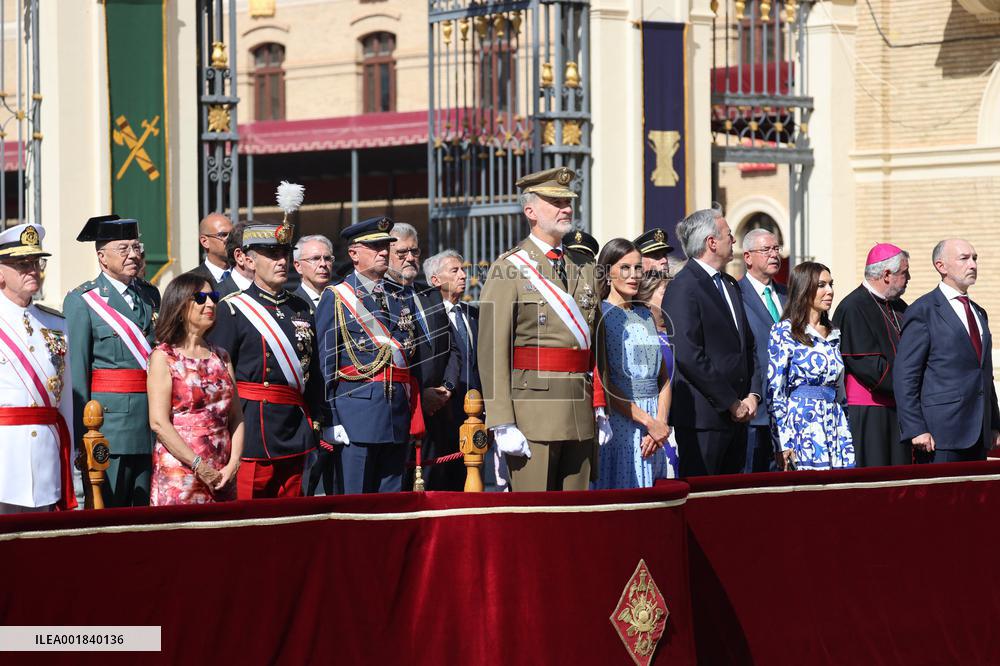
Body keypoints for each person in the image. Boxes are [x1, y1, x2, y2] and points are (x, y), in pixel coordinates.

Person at [477, 167, 609, 491]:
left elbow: (596, 343)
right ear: (531, 210)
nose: (566, 208)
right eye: (556, 201)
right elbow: (492, 348)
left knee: (576, 518)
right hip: (532, 415)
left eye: (568, 201)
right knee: (534, 519)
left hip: (580, 413)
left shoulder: (586, 267)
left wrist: (600, 404)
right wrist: (501, 420)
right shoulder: (509, 269)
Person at [206, 222, 324, 498]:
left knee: (292, 519)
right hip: (253, 430)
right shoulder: (233, 308)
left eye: (284, 253)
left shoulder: (301, 307)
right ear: (247, 259)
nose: (281, 261)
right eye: (272, 255)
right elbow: (221, 378)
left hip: (295, 428)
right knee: (249, 519)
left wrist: (317, 419)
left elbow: (314, 369)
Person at [316, 216, 425, 494]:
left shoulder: (398, 295)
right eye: (375, 246)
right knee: (356, 503)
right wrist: (330, 419)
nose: (383, 252)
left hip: (395, 416)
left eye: (385, 246)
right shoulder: (338, 296)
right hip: (356, 415)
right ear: (354, 253)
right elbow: (326, 363)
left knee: (391, 505)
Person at [64, 215, 160, 507]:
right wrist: (84, 438)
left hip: (150, 422)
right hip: (108, 428)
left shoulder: (150, 294)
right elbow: (78, 375)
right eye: (123, 249)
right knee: (108, 511)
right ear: (102, 257)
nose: (133, 255)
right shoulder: (83, 300)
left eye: (136, 247)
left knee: (146, 518)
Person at [661, 206, 759, 476]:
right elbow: (689, 354)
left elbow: (746, 346)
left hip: (740, 414)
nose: (734, 240)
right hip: (704, 419)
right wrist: (730, 402)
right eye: (729, 234)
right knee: (703, 500)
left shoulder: (729, 283)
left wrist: (752, 394)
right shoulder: (684, 286)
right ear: (711, 242)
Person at [895, 239, 1000, 463]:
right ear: (941, 266)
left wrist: (993, 424)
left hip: (979, 433)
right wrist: (915, 428)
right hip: (940, 435)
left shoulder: (979, 312)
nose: (972, 265)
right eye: (964, 258)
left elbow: (984, 372)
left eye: (975, 258)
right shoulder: (923, 311)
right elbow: (906, 376)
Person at [147, 274, 243, 505]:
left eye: (214, 297)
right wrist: (200, 466)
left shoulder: (221, 356)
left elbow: (236, 416)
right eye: (200, 298)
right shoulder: (164, 357)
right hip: (181, 473)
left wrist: (234, 464)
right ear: (180, 306)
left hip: (222, 473)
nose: (210, 303)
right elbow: (159, 423)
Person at [0, 224, 75, 513]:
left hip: (47, 455)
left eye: (36, 262)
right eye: (22, 264)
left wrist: (67, 459)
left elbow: (65, 399)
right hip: (6, 459)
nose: (33, 269)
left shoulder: (57, 324)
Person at [594, 239, 675, 488]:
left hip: (655, 429)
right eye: (625, 268)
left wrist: (660, 423)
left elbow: (663, 378)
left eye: (638, 268)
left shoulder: (646, 314)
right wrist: (649, 423)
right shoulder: (600, 316)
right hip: (622, 425)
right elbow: (605, 384)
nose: (633, 275)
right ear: (608, 273)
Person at [386, 223, 461, 490]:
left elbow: (453, 347)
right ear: (387, 253)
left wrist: (447, 388)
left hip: (441, 410)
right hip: (404, 409)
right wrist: (420, 393)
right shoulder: (380, 297)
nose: (410, 257)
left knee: (440, 487)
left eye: (415, 251)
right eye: (402, 251)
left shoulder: (429, 294)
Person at [767, 262, 854, 471]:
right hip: (802, 425)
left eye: (831, 284)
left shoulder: (835, 333)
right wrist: (782, 442)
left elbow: (840, 389)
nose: (830, 291)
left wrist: (845, 428)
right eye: (822, 285)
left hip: (835, 423)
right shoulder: (783, 332)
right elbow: (775, 392)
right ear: (805, 289)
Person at [832, 243, 911, 467]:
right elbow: (868, 367)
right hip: (870, 412)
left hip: (898, 407)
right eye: (904, 272)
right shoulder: (853, 307)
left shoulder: (900, 307)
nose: (909, 277)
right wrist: (909, 387)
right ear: (886, 275)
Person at [424, 249, 480, 489]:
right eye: (454, 270)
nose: (463, 276)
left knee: (472, 480)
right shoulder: (428, 316)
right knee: (440, 482)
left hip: (475, 413)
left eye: (463, 270)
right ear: (435, 280)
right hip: (443, 412)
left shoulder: (474, 314)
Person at [737, 228, 787, 472]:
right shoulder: (736, 295)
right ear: (747, 257)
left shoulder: (789, 295)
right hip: (755, 410)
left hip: (789, 410)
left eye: (776, 248)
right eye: (766, 249)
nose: (774, 254)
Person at [637, 271, 674, 402]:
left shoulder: (681, 331)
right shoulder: (643, 338)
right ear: (647, 299)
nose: (673, 297)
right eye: (666, 293)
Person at [189, 212, 233, 289]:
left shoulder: (247, 275)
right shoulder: (191, 282)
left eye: (232, 234)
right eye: (223, 235)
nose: (230, 239)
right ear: (205, 242)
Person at [292, 234, 334, 314]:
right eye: (315, 258)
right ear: (298, 266)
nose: (323, 264)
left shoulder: (342, 300)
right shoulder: (291, 305)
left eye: (327, 258)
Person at [216, 222, 254, 297]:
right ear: (239, 256)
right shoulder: (216, 296)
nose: (282, 261)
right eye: (268, 254)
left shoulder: (278, 293)